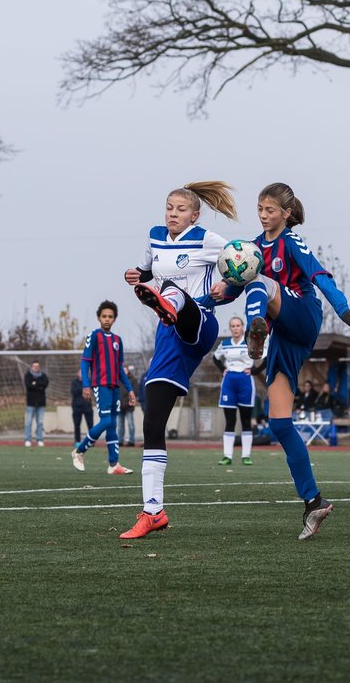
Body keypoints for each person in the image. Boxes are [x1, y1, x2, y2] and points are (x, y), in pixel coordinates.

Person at [214, 182, 350, 540]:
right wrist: (213, 297)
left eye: (270, 210)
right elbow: (234, 287)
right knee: (281, 423)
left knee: (260, 284)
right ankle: (313, 501)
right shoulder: (252, 249)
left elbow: (317, 274)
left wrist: (344, 310)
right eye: (260, 209)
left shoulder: (291, 241)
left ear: (286, 213)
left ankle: (257, 332)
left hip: (302, 313)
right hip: (285, 336)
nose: (264, 215)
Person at [121, 182, 237, 539]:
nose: (173, 213)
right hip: (167, 337)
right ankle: (152, 511)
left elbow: (246, 262)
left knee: (174, 292)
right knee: (152, 423)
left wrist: (228, 287)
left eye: (181, 209)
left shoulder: (208, 239)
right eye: (169, 207)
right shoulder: (155, 237)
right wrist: (136, 276)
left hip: (199, 321)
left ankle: (169, 300)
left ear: (195, 215)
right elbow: (143, 271)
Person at [71, 301, 136, 475]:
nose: (107, 319)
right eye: (104, 316)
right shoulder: (94, 336)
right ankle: (79, 451)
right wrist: (86, 385)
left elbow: (120, 368)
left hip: (115, 387)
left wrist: (130, 389)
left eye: (110, 317)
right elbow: (85, 363)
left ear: (114, 319)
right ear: (99, 318)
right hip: (100, 385)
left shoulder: (117, 340)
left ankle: (114, 464)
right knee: (106, 421)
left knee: (112, 425)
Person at [212, 315, 261, 466]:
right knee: (230, 421)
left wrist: (255, 371)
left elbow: (265, 357)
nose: (235, 328)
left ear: (242, 327)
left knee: (246, 421)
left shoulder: (250, 343)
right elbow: (215, 357)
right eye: (232, 326)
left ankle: (246, 455)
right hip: (229, 383)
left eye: (238, 325)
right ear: (230, 328)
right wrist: (222, 369)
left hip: (245, 382)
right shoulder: (224, 344)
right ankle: (227, 456)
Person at [23, 361, 49, 447]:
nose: (36, 368)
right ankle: (27, 439)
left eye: (37, 366)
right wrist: (38, 386)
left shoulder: (43, 376)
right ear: (31, 367)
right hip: (31, 403)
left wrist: (35, 384)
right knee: (28, 422)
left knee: (40, 422)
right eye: (34, 366)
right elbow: (29, 385)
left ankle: (40, 439)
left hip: (41, 403)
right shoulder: (28, 375)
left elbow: (45, 384)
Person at [119, 365, 139, 447]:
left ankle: (131, 440)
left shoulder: (133, 380)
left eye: (125, 370)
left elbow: (135, 392)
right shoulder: (118, 380)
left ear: (128, 371)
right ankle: (120, 440)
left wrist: (128, 402)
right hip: (119, 407)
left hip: (129, 406)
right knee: (120, 425)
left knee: (131, 424)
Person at [70, 374, 92, 442]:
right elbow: (73, 392)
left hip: (87, 406)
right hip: (77, 406)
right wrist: (83, 389)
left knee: (90, 424)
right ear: (77, 373)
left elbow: (90, 390)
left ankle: (91, 441)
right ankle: (77, 441)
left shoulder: (89, 381)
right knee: (77, 425)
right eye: (80, 372)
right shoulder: (74, 382)